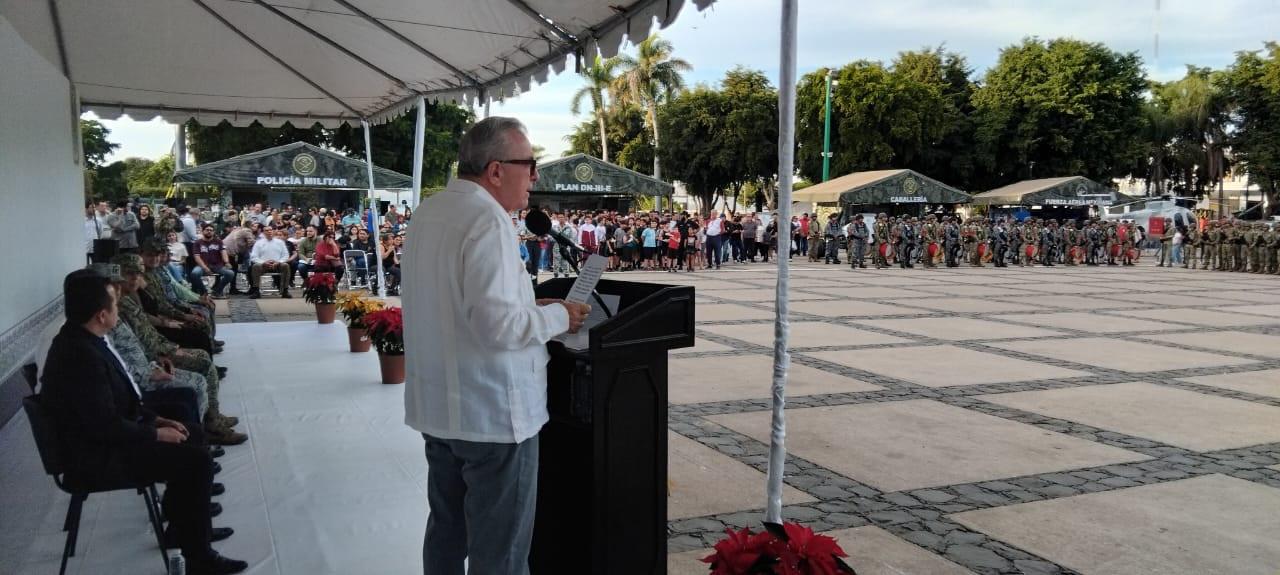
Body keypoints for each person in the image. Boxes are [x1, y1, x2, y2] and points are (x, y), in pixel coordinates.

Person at [401, 117, 591, 575]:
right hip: (493, 416)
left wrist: (530, 300)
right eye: (530, 164)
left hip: (440, 407)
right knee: (500, 553)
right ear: (495, 170)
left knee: (446, 535)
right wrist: (558, 315)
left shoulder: (430, 211)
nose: (535, 177)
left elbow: (456, 301)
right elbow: (497, 327)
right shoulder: (488, 220)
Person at [39, 270, 247, 574]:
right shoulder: (79, 355)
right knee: (195, 459)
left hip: (106, 440)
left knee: (194, 433)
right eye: (114, 303)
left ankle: (184, 529)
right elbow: (104, 425)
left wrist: (157, 418)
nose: (118, 307)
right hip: (95, 457)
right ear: (101, 315)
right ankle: (199, 556)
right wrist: (155, 434)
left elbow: (121, 401)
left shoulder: (84, 338)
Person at [248, 228, 293, 299]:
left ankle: (285, 290)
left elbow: (286, 255)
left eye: (271, 230)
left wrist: (279, 262)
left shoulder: (280, 242)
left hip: (277, 264)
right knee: (255, 266)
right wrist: (263, 262)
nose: (269, 232)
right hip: (263, 265)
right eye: (267, 230)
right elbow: (254, 256)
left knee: (286, 265)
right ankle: (256, 291)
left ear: (273, 231)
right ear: (263, 232)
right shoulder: (258, 243)